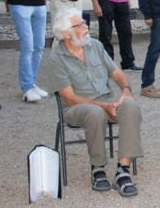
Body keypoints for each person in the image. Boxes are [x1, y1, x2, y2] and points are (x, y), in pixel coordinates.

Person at [37, 12, 141, 196]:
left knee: (131, 106)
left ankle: (122, 170)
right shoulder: (56, 58)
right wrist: (104, 106)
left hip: (107, 101)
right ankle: (98, 168)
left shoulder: (95, 46)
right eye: (80, 25)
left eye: (85, 23)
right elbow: (69, 97)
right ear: (66, 33)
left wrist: (126, 90)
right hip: (76, 108)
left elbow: (116, 73)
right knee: (95, 112)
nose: (86, 27)